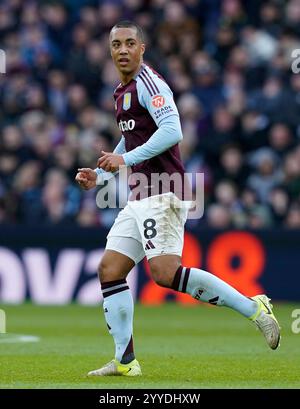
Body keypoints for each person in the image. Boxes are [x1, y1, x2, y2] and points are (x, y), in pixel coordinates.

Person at [75, 21, 280, 377]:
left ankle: (254, 309)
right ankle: (125, 362)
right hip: (140, 194)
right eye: (115, 44)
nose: (122, 50)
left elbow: (173, 131)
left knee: (165, 274)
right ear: (110, 51)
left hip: (164, 190)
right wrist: (104, 174)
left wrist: (124, 160)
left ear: (142, 48)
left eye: (129, 43)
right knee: (110, 269)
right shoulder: (120, 91)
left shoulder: (150, 84)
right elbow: (134, 141)